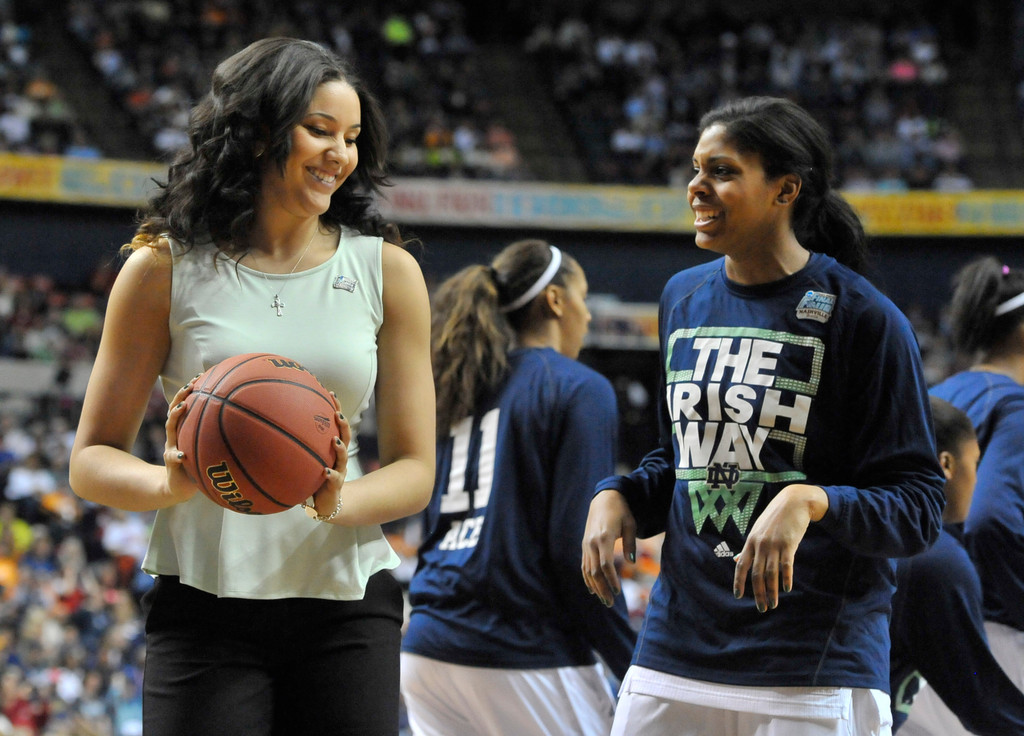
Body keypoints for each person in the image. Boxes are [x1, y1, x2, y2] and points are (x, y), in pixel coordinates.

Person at [68, 38, 435, 736]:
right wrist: (167, 484)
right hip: (206, 604)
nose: (340, 154)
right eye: (320, 130)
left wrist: (340, 498)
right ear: (259, 130)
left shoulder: (389, 272)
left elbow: (416, 471)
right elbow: (89, 460)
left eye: (352, 138)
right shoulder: (161, 269)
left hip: (347, 601)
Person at [581, 96, 945, 736]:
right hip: (675, 653)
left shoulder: (863, 317)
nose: (696, 186)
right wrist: (620, 495)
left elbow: (918, 507)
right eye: (695, 169)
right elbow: (684, 462)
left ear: (785, 190)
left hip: (812, 667)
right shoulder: (683, 297)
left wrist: (811, 501)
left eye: (721, 171)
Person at [401, 239, 637, 736]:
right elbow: (575, 548)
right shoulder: (578, 387)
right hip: (520, 650)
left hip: (428, 646)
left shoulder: (461, 383)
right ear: (555, 300)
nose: (588, 316)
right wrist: (634, 661)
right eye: (583, 298)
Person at [918, 256, 1024, 727]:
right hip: (993, 634)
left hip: (920, 634)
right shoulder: (1014, 404)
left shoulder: (939, 396)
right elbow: (991, 520)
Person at [889, 396, 1024, 734]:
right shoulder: (932, 554)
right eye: (975, 465)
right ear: (946, 464)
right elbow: (980, 695)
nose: (976, 481)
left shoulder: (868, 523)